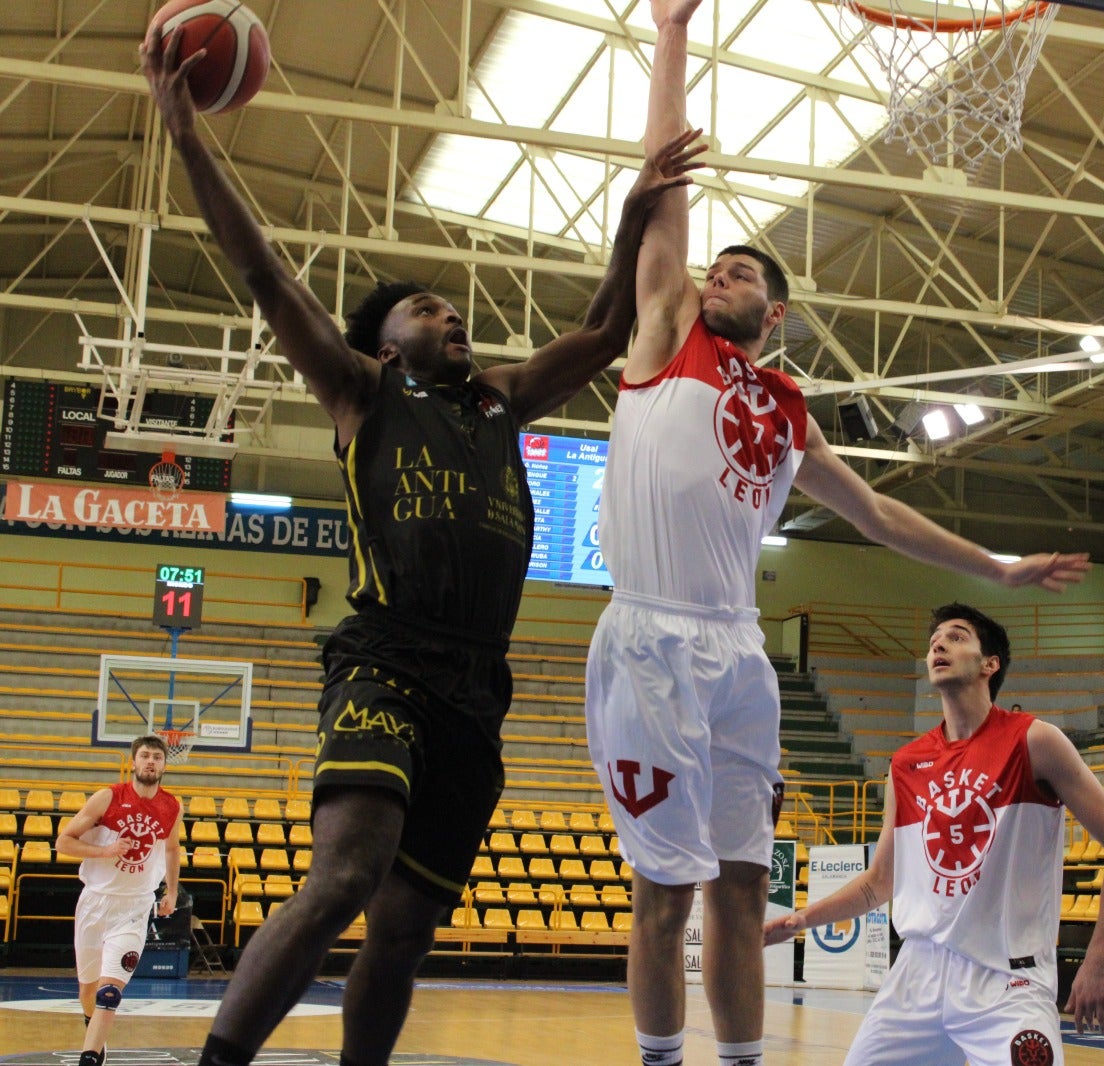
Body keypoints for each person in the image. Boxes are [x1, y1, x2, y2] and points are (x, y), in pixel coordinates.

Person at [142, 26, 706, 1066]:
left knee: (403, 929)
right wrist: (186, 137)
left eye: (452, 308)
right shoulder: (363, 391)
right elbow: (265, 274)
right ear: (383, 338)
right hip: (387, 659)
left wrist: (632, 215)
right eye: (426, 307)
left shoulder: (498, 398)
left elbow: (607, 323)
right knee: (345, 878)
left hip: (477, 686)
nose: (452, 316)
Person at [596, 7, 1094, 1064]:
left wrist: (999, 564)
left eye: (740, 272)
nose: (716, 273)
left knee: (737, 881)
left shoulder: (786, 404)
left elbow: (879, 514)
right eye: (711, 266)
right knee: (662, 886)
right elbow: (665, 180)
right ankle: (656, 1059)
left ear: (775, 311)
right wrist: (674, 27)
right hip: (649, 636)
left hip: (740, 649)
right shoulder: (659, 330)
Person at [763, 604, 1104, 1063]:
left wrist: (1098, 959)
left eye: (957, 637)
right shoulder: (905, 764)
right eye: (935, 639)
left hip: (1007, 980)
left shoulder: (1034, 741)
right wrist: (798, 920)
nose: (938, 644)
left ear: (989, 664)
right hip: (917, 975)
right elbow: (880, 881)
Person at [56, 737, 183, 1066]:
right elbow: (63, 843)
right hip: (95, 902)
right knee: (88, 990)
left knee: (109, 992)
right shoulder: (108, 798)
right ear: (134, 762)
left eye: (157, 756)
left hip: (135, 907)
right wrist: (105, 851)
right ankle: (92, 1027)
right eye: (145, 755)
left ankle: (90, 1056)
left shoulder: (172, 806)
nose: (151, 761)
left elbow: (170, 849)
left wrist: (170, 891)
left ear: (165, 764)